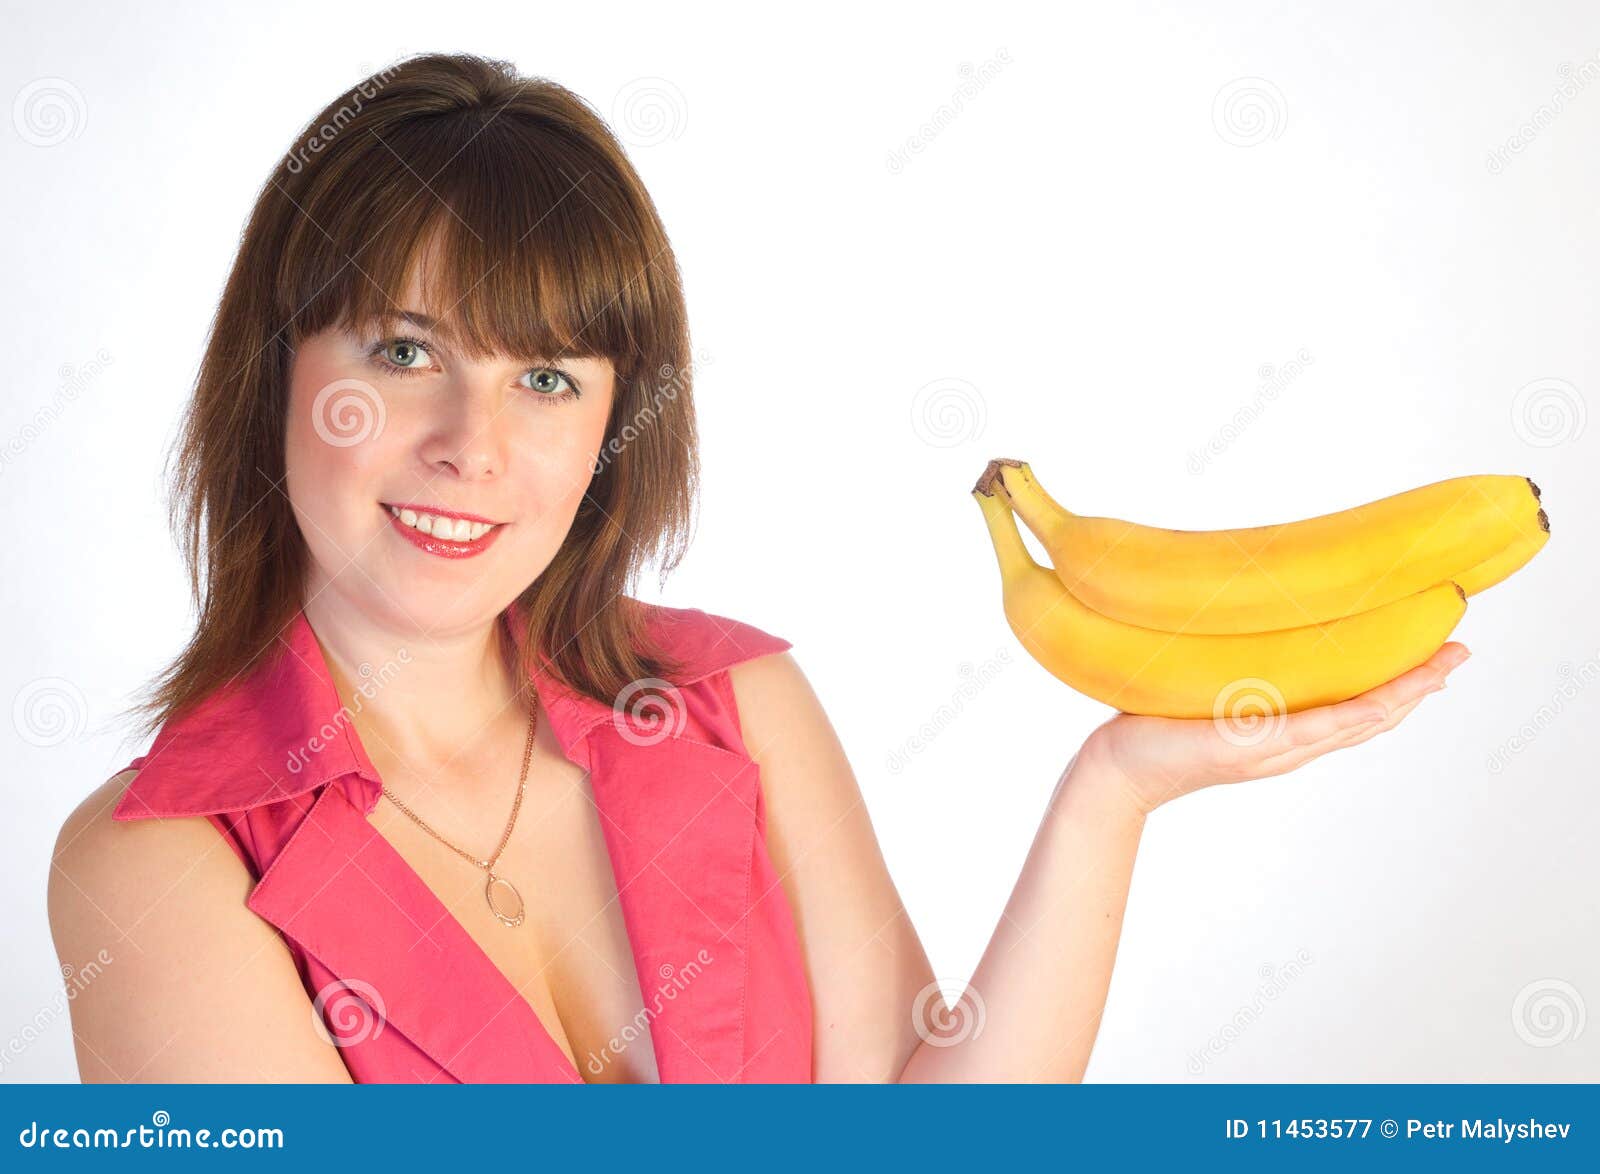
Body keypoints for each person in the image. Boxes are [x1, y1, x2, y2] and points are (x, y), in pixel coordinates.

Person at [46, 51, 1469, 1084]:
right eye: (405, 351)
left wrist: (1116, 789)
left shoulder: (731, 699)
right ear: (276, 374)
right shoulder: (156, 869)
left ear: (615, 426)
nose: (470, 447)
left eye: (545, 378)